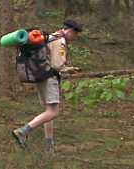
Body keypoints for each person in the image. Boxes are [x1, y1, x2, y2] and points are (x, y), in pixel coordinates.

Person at [12, 20, 83, 151]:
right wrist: (69, 69)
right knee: (53, 112)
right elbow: (57, 65)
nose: (74, 37)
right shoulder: (59, 41)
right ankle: (22, 131)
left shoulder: (49, 38)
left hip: (41, 76)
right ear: (70, 31)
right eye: (75, 34)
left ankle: (49, 146)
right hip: (49, 78)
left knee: (48, 111)